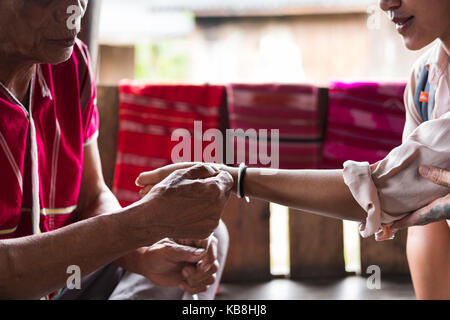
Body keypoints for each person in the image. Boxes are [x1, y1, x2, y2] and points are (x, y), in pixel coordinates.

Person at [137, 0, 450, 299]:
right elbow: (417, 195)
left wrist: (234, 178)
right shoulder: (426, 79)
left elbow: (387, 190)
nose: (385, 4)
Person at [0, 0, 233, 300]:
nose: (74, 9)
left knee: (204, 237)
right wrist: (139, 225)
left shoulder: (71, 66)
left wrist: (144, 254)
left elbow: (93, 197)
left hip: (64, 284)